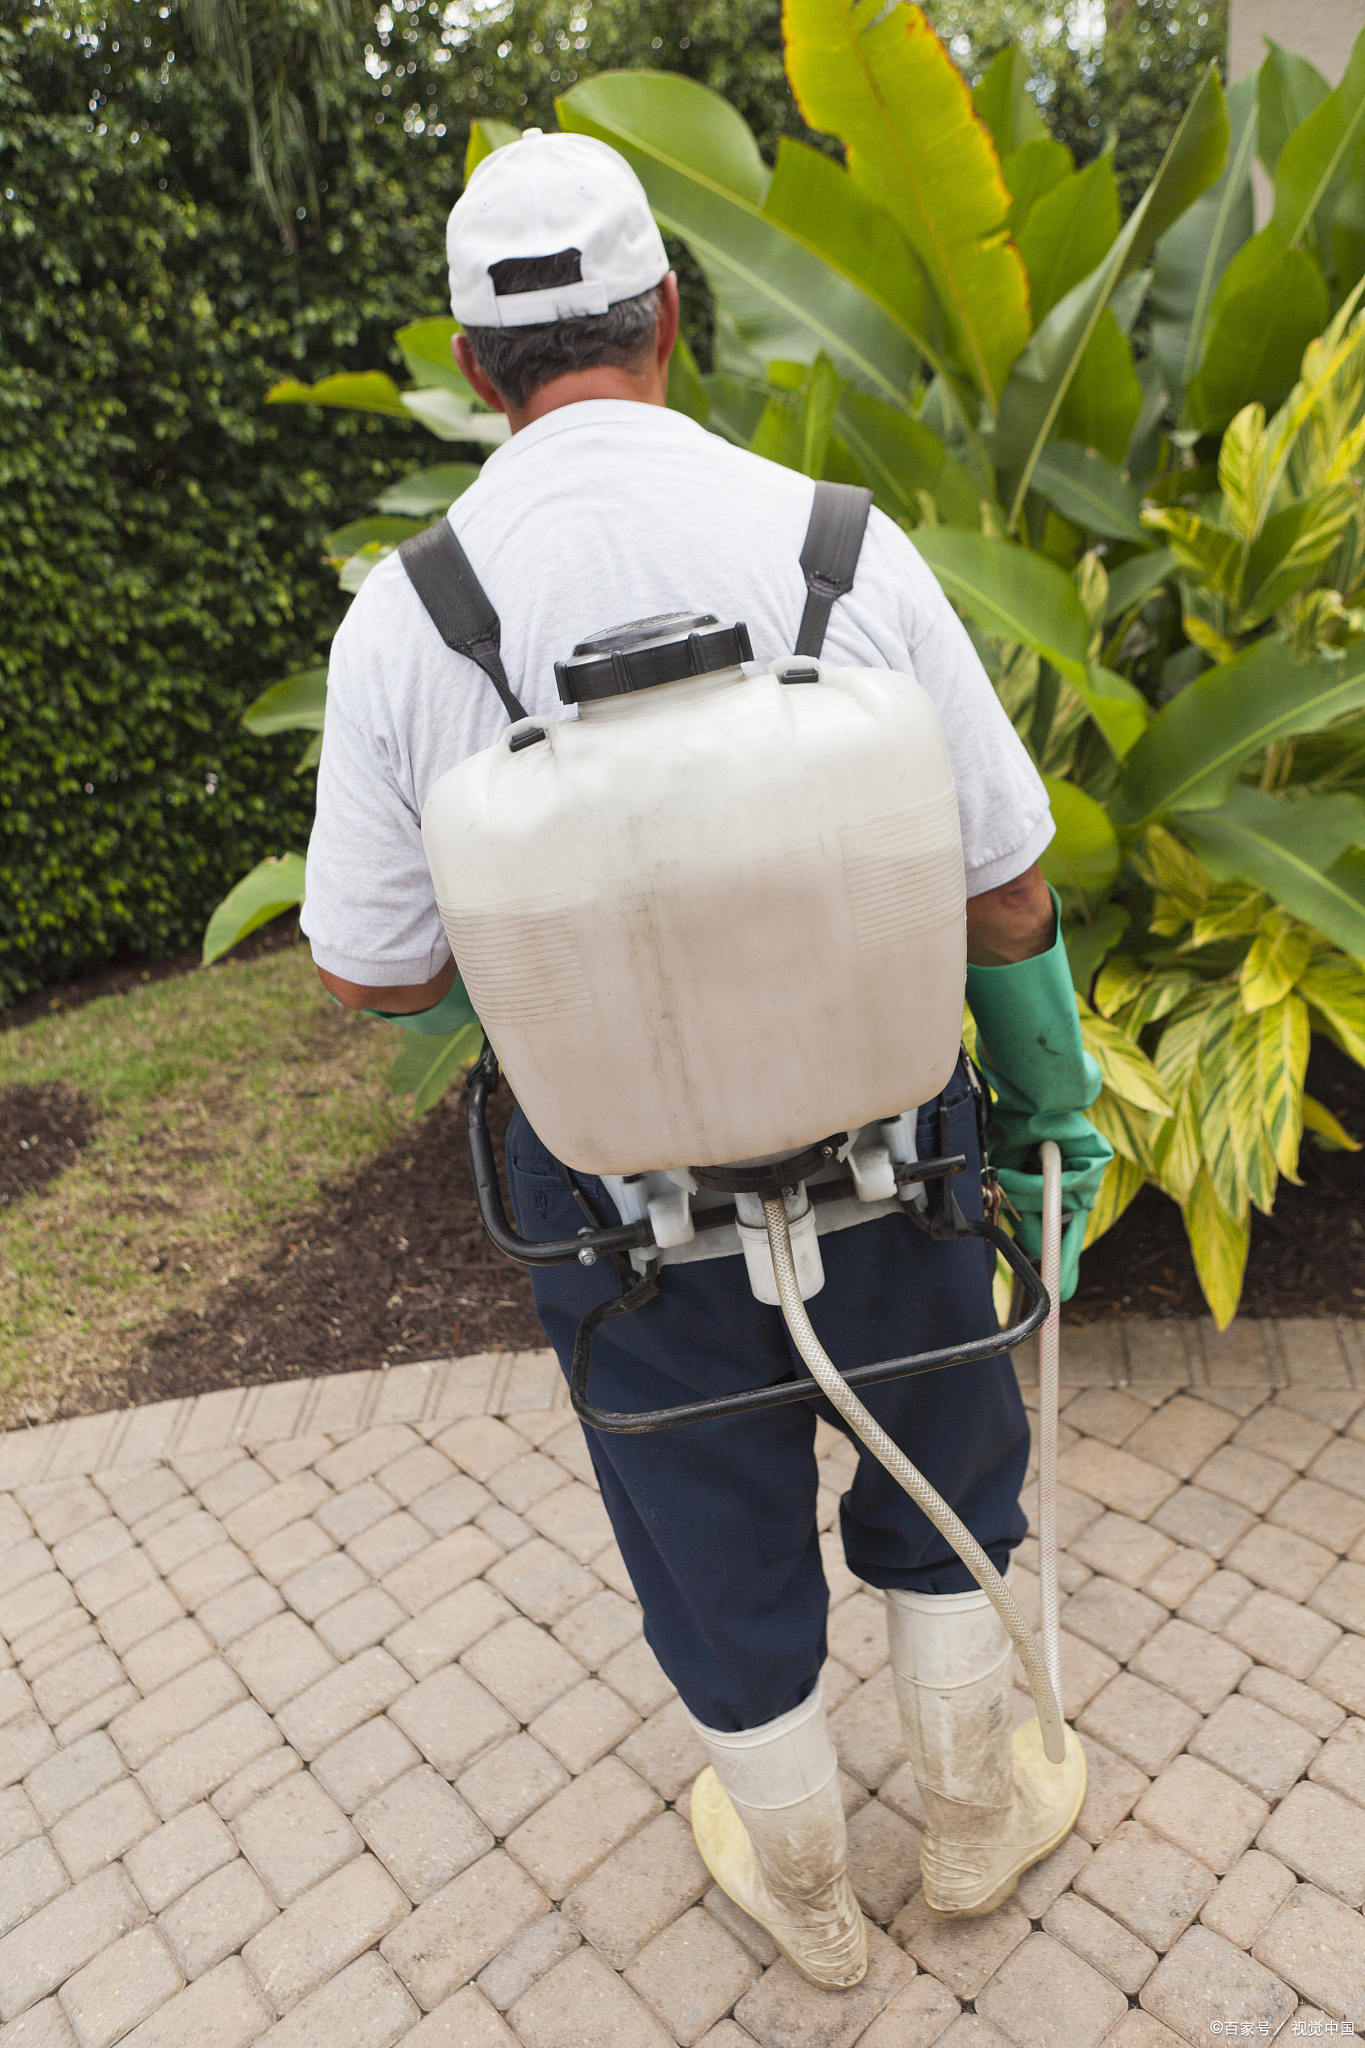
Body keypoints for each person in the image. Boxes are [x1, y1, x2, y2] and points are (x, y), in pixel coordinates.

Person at [302, 128, 1111, 1990]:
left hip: (616, 1212)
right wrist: (1051, 1101)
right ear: (672, 312)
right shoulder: (837, 544)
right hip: (897, 1155)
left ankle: (806, 1885)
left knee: (700, 1524)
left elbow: (369, 970)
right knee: (938, 1464)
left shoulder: (411, 620)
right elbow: (1001, 892)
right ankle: (977, 1823)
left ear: (461, 361)